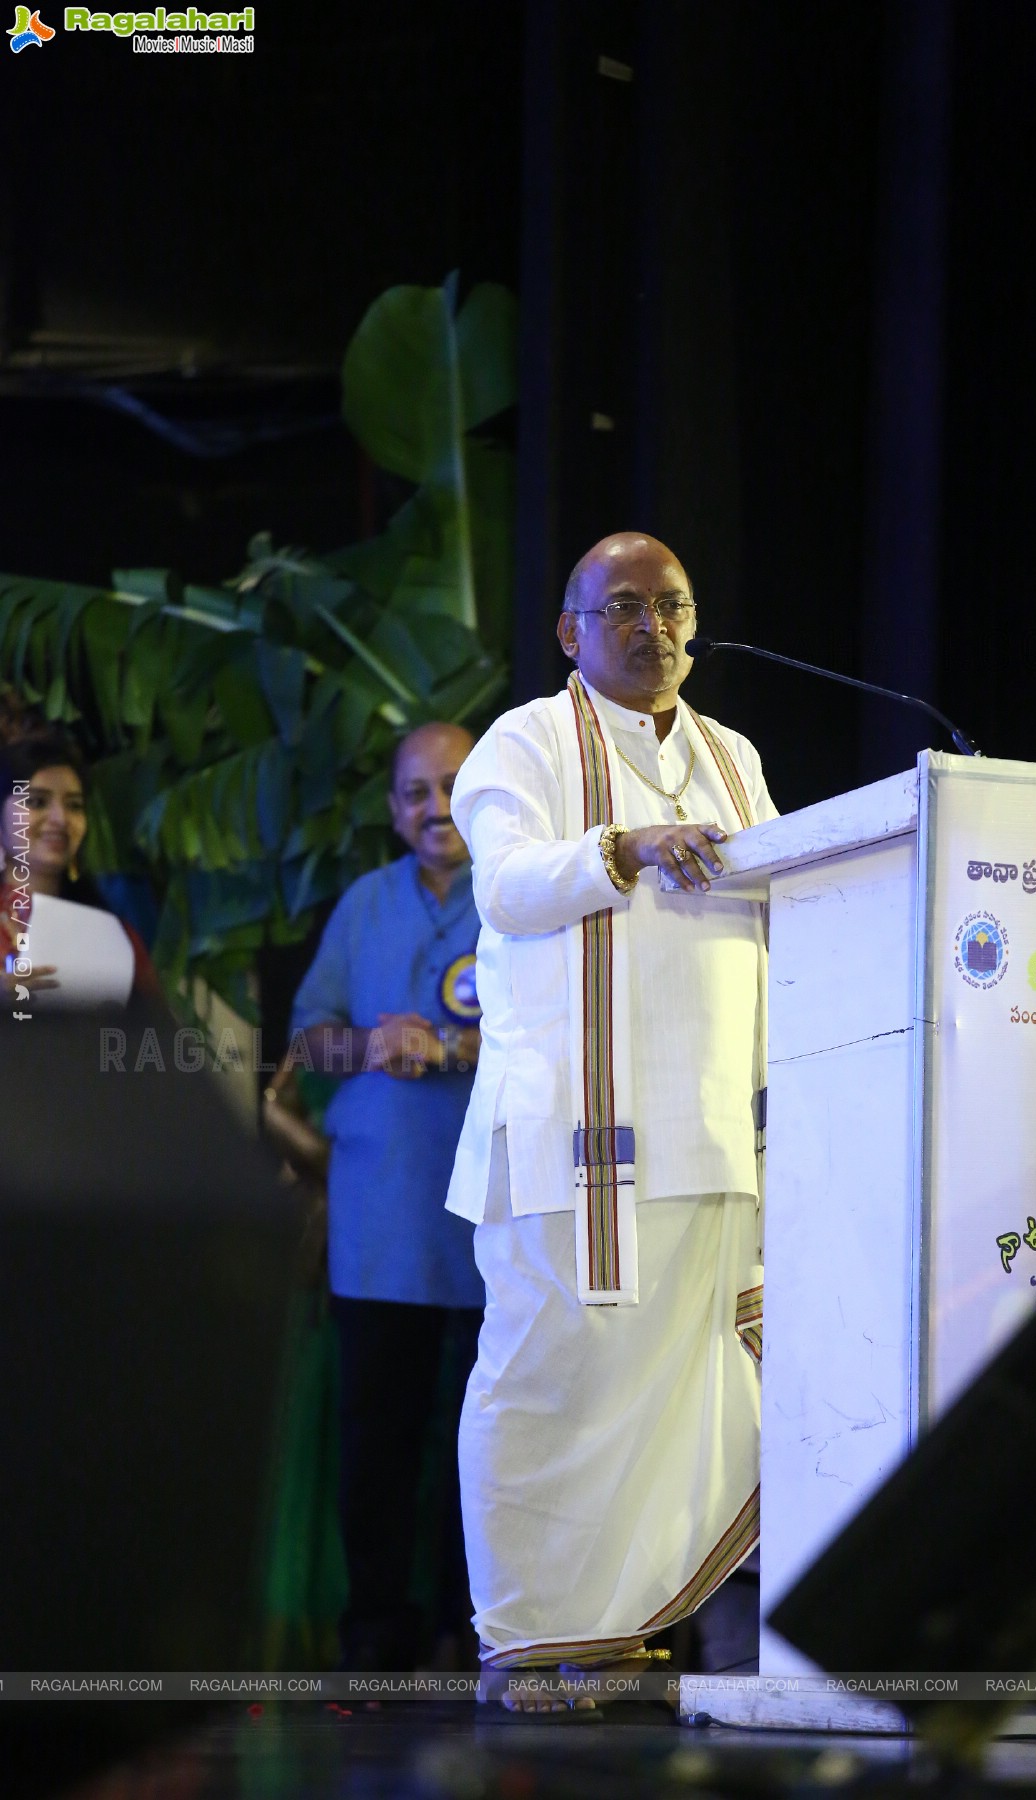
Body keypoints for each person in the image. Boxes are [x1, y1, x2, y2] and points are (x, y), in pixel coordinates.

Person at [446, 531, 777, 1708]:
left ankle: (616, 1630)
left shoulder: (734, 757)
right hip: (566, 1144)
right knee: (547, 1381)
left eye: (673, 604)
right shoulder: (524, 742)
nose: (654, 626)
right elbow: (507, 887)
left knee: (681, 1389)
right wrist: (625, 848)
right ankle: (527, 1640)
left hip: (710, 1139)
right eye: (624, 605)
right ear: (569, 632)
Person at [290, 721, 485, 1670]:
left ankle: (474, 1632)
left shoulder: (522, 896)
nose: (436, 806)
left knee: (486, 1455)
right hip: (378, 1230)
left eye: (453, 784)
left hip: (495, 1227)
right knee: (377, 1451)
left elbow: (562, 1035)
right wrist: (370, 1047)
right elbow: (307, 1038)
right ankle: (376, 1641)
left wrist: (446, 1049)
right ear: (394, 809)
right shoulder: (365, 904)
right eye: (416, 791)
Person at [1, 723, 161, 1010]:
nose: (60, 819)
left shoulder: (111, 933)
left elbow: (155, 1037)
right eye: (37, 802)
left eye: (74, 806)